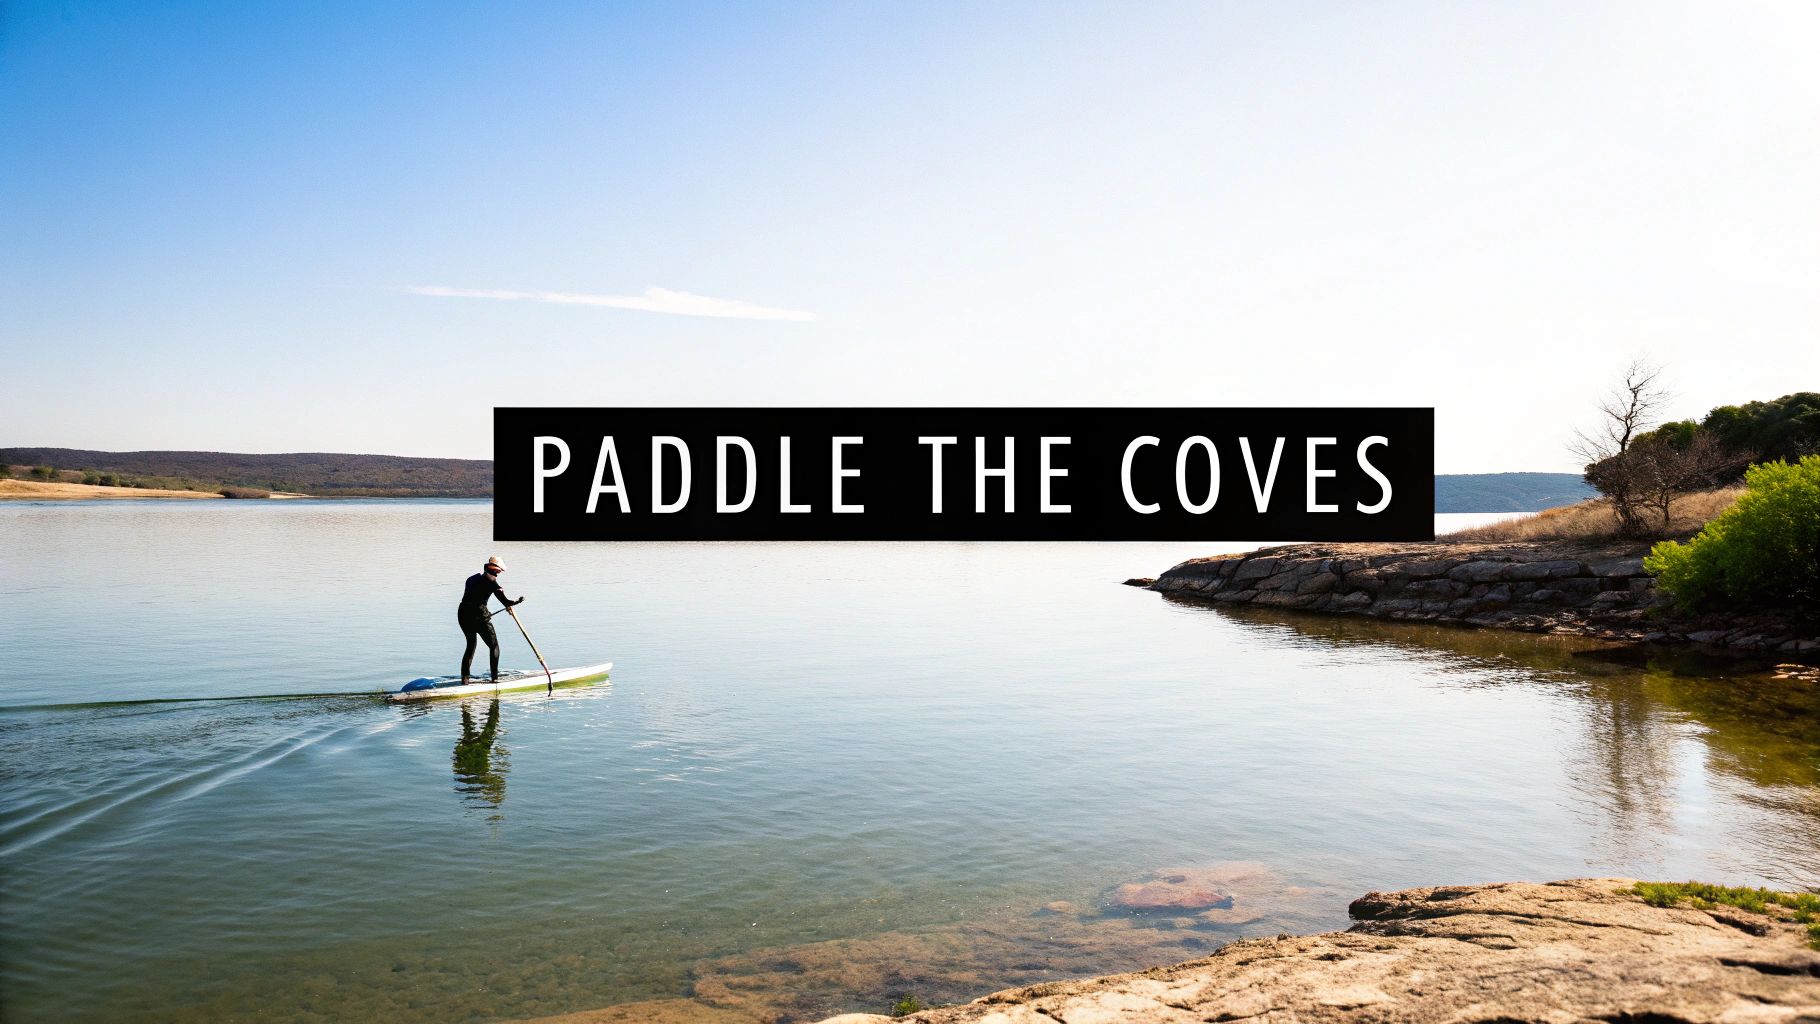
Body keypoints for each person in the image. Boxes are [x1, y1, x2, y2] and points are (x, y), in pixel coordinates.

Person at [459, 556, 524, 685]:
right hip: (479, 617)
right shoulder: (494, 584)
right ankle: (494, 679)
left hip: (463, 614)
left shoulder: (471, 578)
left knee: (471, 645)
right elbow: (505, 601)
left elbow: (473, 596)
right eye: (498, 572)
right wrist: (516, 602)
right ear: (494, 570)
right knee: (494, 646)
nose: (499, 574)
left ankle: (465, 679)